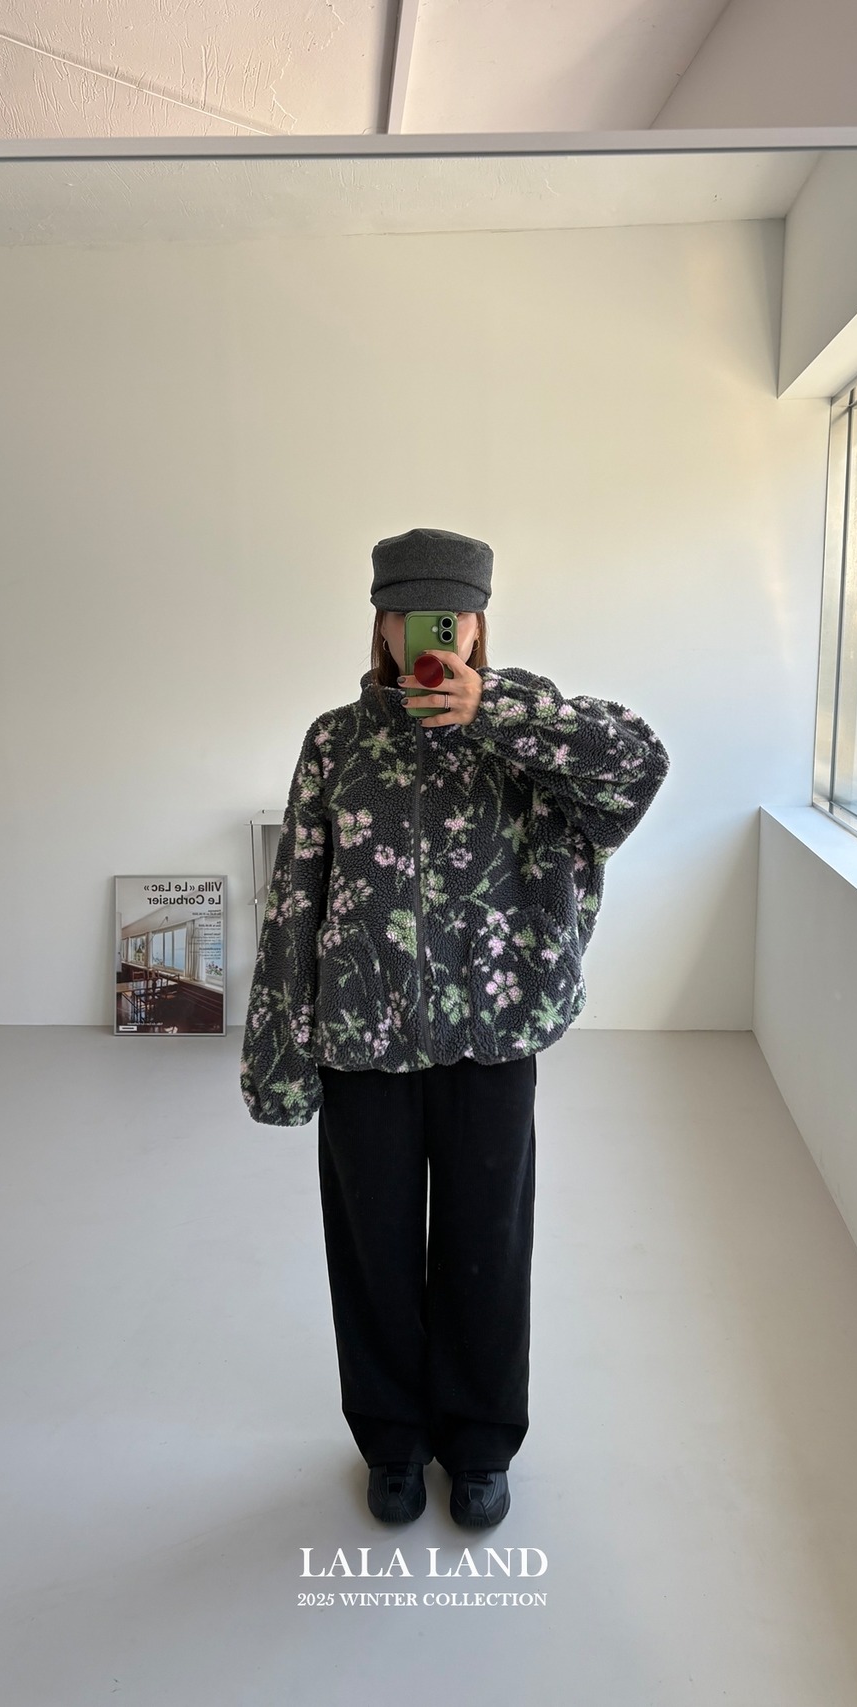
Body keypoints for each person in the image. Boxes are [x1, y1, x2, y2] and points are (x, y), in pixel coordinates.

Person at [241, 527, 671, 1529]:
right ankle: (391, 1438)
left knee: (488, 1242)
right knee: (373, 1247)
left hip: (492, 1033)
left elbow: (638, 768)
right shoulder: (335, 741)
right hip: (364, 1038)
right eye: (409, 615)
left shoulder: (529, 733)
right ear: (382, 624)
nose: (430, 635)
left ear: (478, 625)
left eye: (453, 616)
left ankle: (480, 1440)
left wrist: (501, 713)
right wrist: (280, 1053)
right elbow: (294, 897)